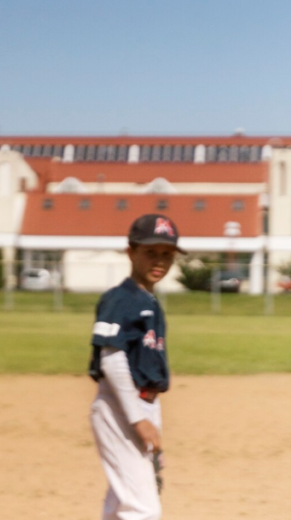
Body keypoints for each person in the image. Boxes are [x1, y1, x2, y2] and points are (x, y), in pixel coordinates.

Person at [87, 213, 183, 520]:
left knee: (121, 500)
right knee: (143, 507)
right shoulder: (121, 299)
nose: (160, 261)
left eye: (167, 254)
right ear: (131, 252)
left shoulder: (148, 300)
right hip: (121, 407)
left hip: (142, 405)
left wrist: (148, 417)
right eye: (150, 252)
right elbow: (112, 360)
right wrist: (138, 419)